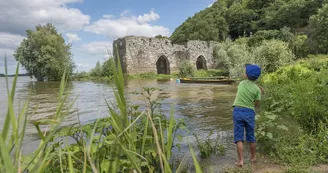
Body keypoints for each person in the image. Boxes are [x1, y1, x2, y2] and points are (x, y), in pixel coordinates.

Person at [232, 64, 262, 167]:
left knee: (239, 137)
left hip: (238, 111)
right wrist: (258, 89)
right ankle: (253, 158)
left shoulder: (241, 83)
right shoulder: (257, 89)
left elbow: (245, 87)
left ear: (246, 75)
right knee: (251, 136)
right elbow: (257, 103)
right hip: (249, 112)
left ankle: (241, 161)